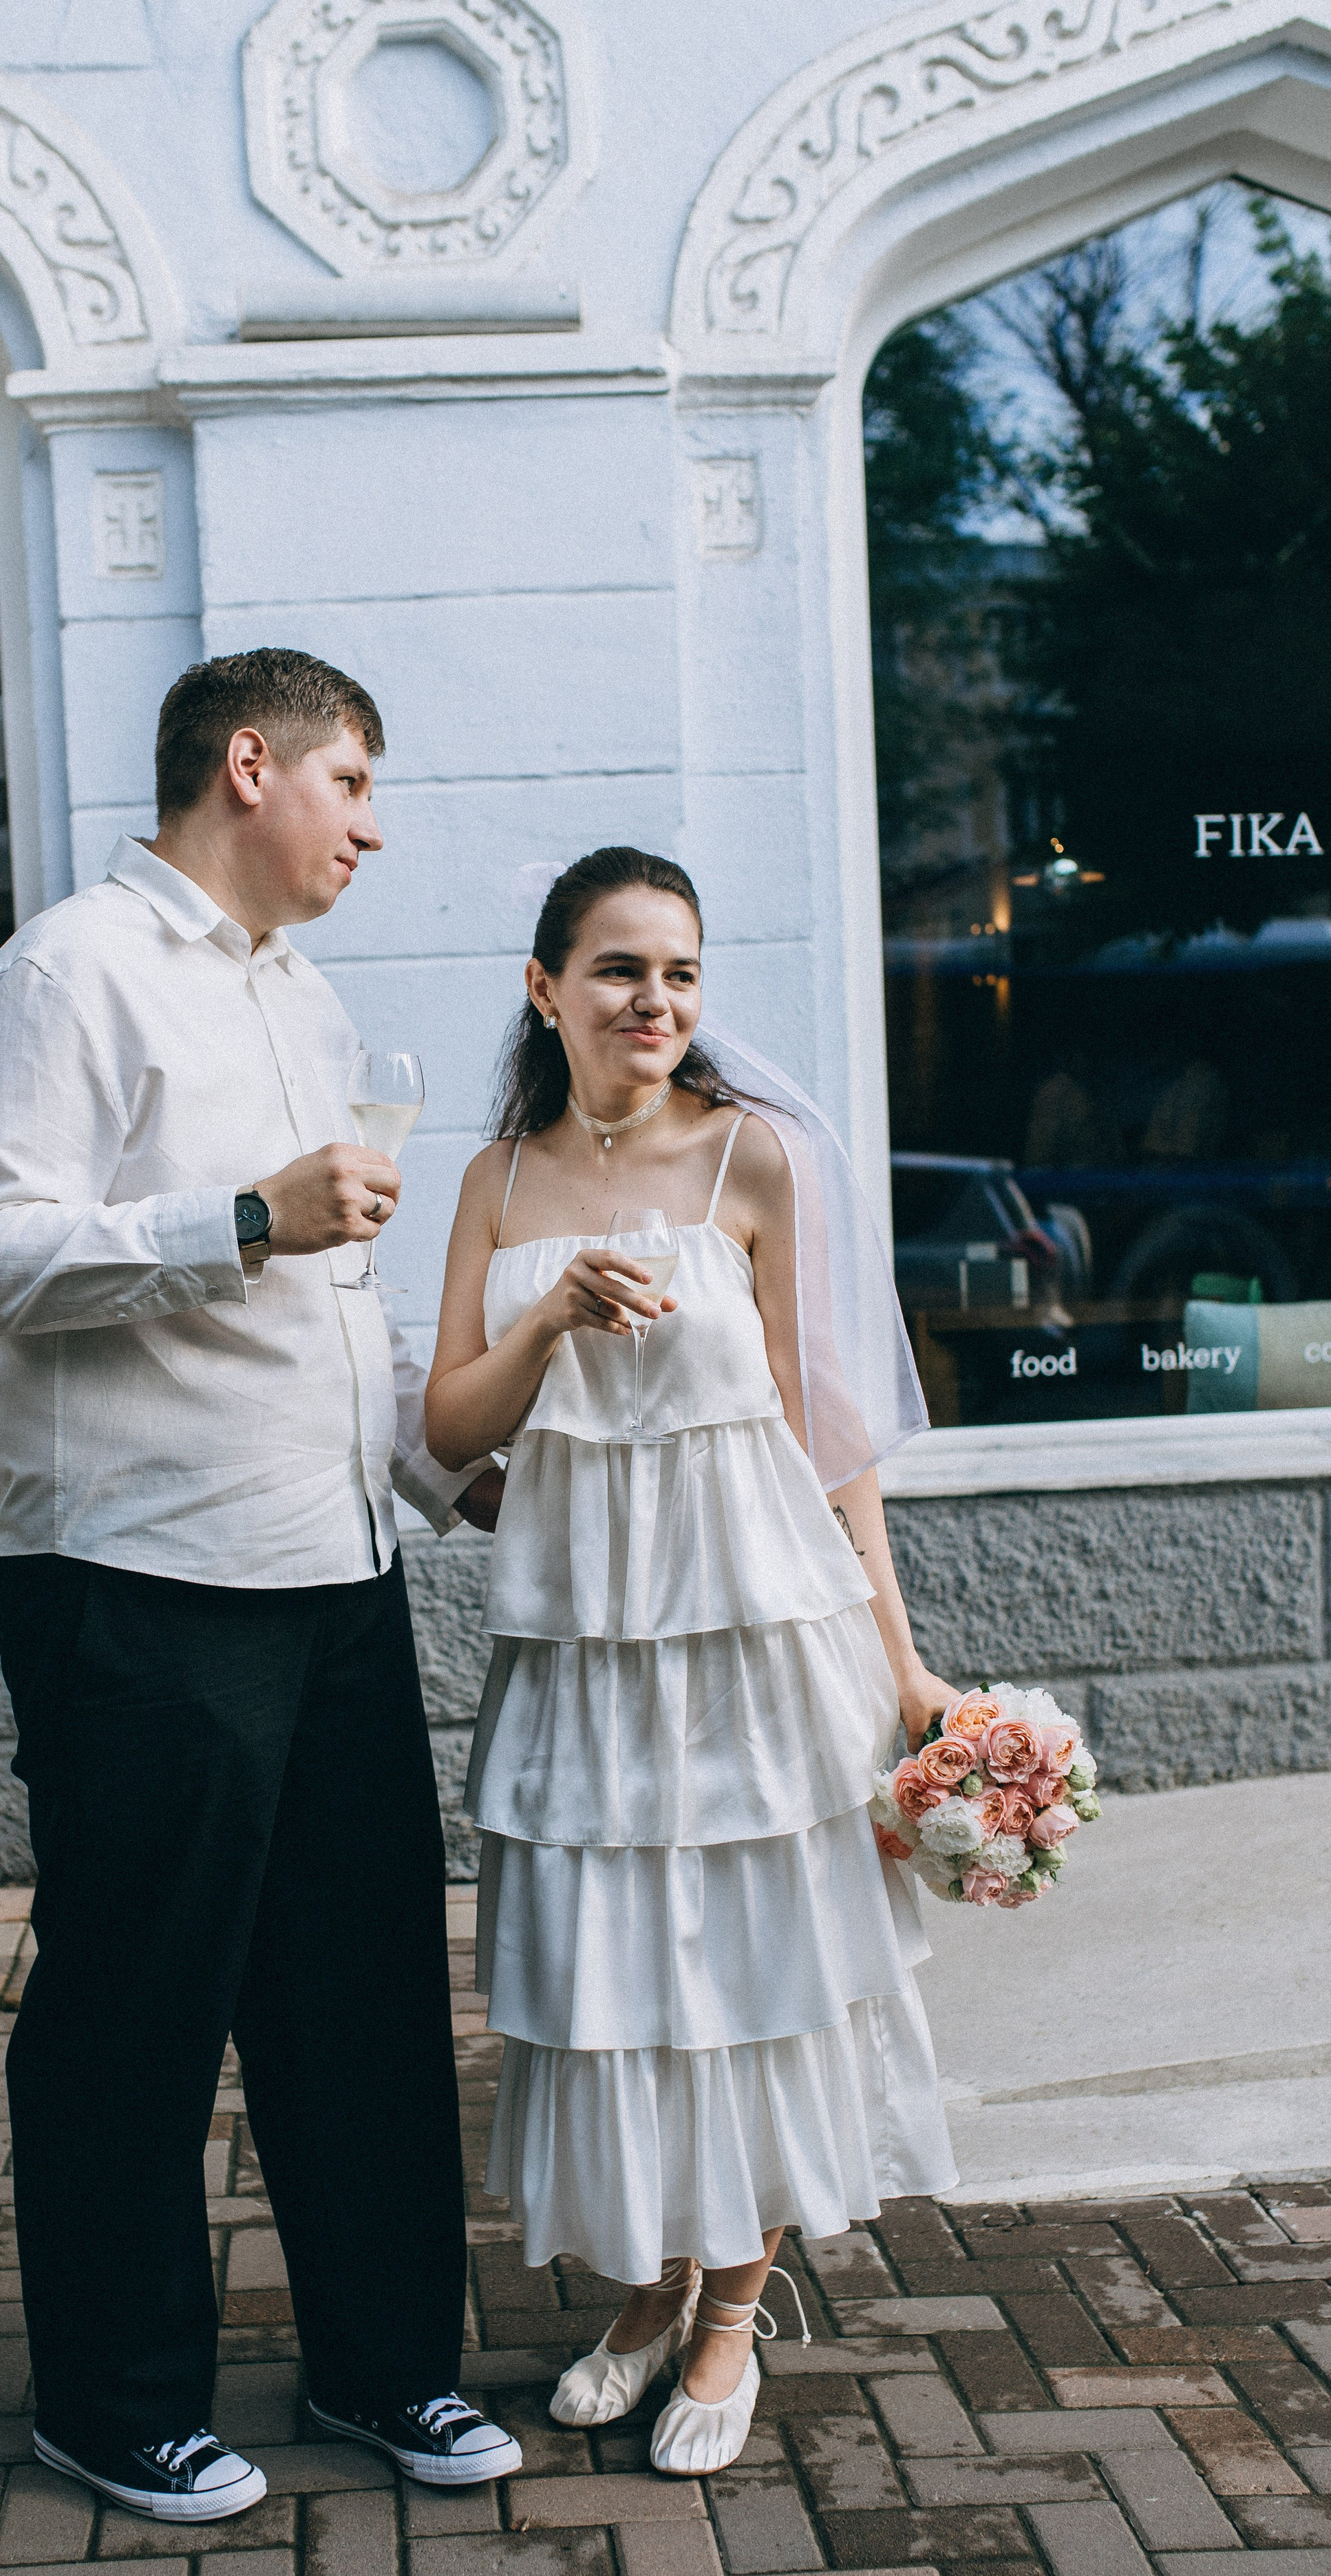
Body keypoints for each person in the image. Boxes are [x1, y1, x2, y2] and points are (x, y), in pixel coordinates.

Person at [0, 648, 520, 2524]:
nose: (372, 825)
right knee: (137, 2003)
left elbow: (336, 1308)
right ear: (248, 765)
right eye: (353, 781)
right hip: (138, 1574)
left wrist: (446, 1474)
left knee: (362, 1996)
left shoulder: (305, 998)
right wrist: (240, 1215)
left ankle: (384, 2365)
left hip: (333, 1565)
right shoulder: (62, 975)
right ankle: (112, 2403)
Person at [425, 849, 959, 2476]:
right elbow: (446, 1428)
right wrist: (545, 1325)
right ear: (543, 988)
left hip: (753, 1633)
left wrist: (900, 1665)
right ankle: (649, 2288)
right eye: (616, 968)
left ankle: (730, 2310)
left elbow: (823, 1436)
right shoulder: (494, 1181)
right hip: (585, 1649)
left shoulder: (753, 1156)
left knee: (747, 1975)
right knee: (618, 1988)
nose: (651, 999)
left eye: (677, 971)